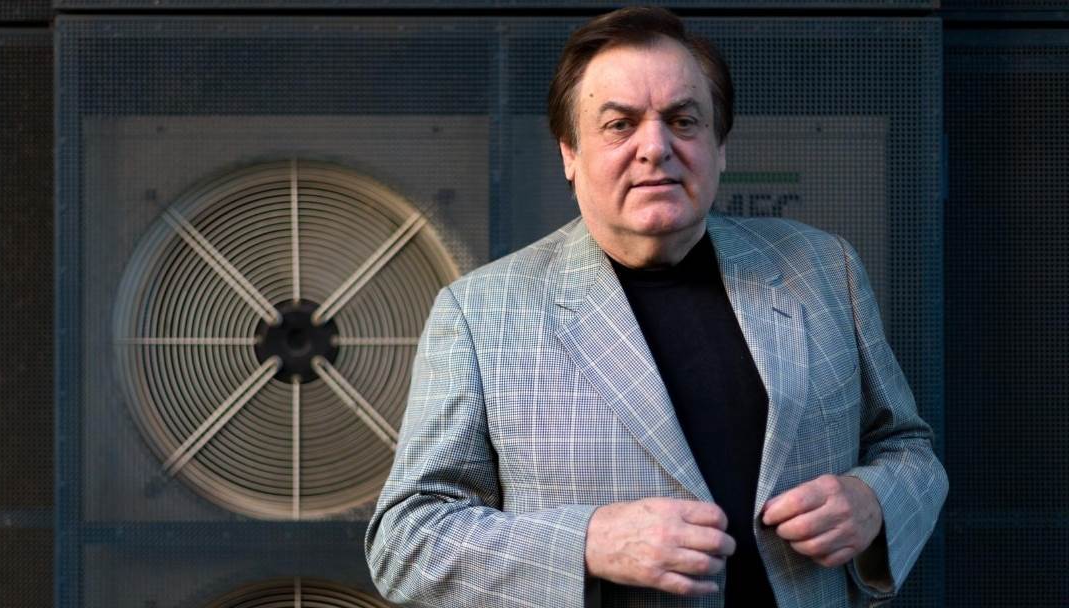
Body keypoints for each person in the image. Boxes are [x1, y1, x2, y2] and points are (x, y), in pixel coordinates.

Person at [365, 7, 947, 607]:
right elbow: (406, 540)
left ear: (719, 146)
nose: (656, 147)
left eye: (683, 120)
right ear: (569, 154)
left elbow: (908, 449)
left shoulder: (823, 269)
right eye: (619, 125)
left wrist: (873, 501)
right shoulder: (479, 313)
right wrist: (589, 543)